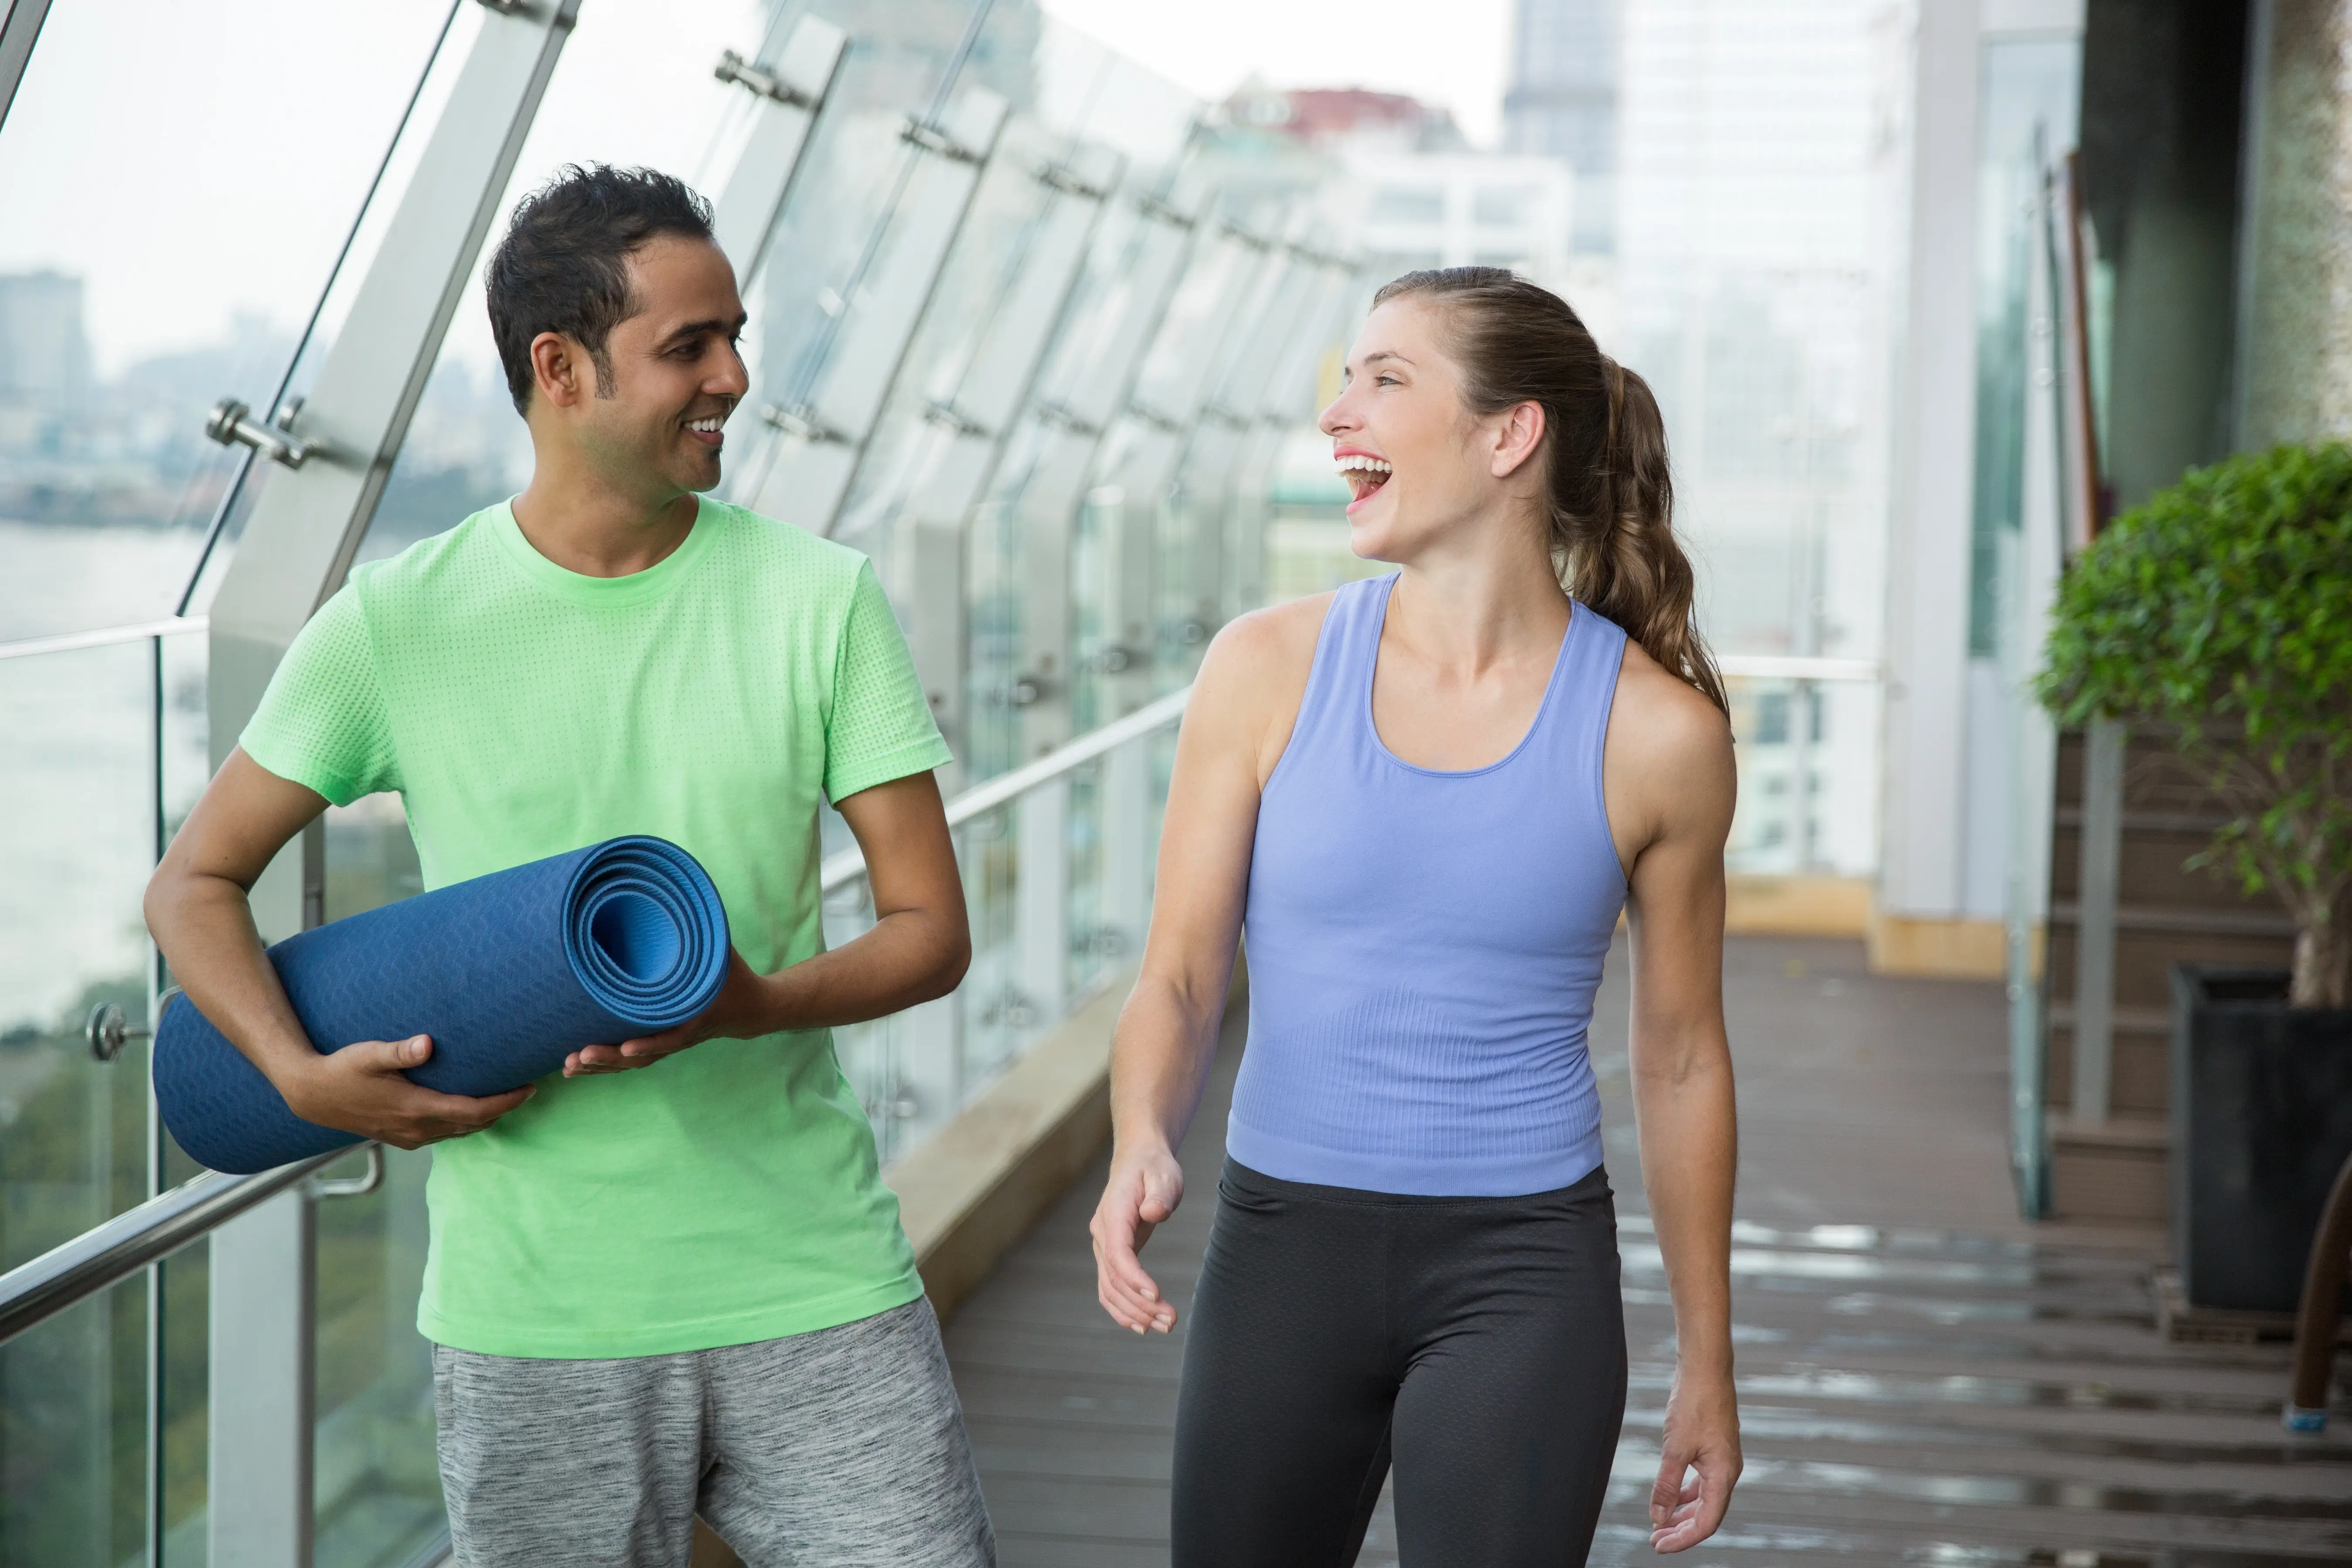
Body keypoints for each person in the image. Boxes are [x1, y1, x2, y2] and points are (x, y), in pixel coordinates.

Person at [146, 165, 996, 1568]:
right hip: (533, 1314)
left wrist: (746, 1002)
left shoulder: (818, 598)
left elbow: (930, 927)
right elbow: (192, 884)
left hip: (812, 1275)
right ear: (561, 368)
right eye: (688, 347)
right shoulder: (399, 624)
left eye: (736, 335)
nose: (734, 375)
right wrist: (302, 1079)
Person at [1087, 266, 1743, 1565]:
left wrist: (1710, 1361)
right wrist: (1139, 1138)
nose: (1340, 414)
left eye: (1386, 379)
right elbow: (1176, 976)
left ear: (1512, 435)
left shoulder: (1661, 736)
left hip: (1525, 1275)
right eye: (1346, 377)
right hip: (1280, 1253)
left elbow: (1679, 1057)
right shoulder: (1264, 669)